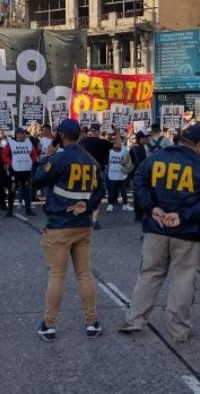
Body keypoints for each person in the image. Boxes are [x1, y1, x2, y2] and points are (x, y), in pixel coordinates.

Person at [119, 125, 200, 342]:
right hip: (188, 232)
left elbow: (138, 181)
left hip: (156, 228)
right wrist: (183, 216)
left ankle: (135, 319)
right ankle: (179, 329)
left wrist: (151, 208)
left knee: (149, 274)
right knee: (184, 279)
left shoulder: (155, 159)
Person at [32, 119, 107, 342]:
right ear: (80, 136)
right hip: (83, 224)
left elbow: (36, 180)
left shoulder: (59, 157)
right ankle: (92, 323)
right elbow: (101, 188)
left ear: (61, 136)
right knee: (84, 274)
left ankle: (49, 325)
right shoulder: (90, 160)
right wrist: (89, 205)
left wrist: (47, 155)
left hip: (59, 225)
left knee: (57, 275)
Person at [79, 123, 113, 229]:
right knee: (97, 196)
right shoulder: (103, 142)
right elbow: (117, 146)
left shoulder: (83, 141)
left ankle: (83, 219)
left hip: (85, 171)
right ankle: (94, 221)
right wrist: (116, 132)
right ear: (98, 131)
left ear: (90, 131)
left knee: (84, 195)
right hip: (98, 171)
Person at [2, 128, 38, 217]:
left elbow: (34, 154)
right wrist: (10, 163)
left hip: (26, 171)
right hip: (15, 171)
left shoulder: (28, 142)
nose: (21, 135)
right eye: (19, 133)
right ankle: (10, 210)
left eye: (23, 133)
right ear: (16, 134)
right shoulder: (10, 143)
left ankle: (28, 210)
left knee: (26, 190)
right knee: (12, 190)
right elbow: (4, 155)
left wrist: (31, 162)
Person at [106, 134, 133, 212]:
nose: (118, 144)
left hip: (122, 174)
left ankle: (125, 204)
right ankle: (110, 205)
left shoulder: (124, 150)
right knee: (111, 191)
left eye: (119, 142)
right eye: (116, 142)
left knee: (124, 191)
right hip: (112, 174)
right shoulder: (109, 151)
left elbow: (128, 161)